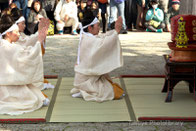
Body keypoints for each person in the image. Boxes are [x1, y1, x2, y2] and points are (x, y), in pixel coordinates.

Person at [0, 14, 50, 115]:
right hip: (10, 86)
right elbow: (29, 56)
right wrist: (39, 40)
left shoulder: (6, 45)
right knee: (34, 100)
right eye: (16, 32)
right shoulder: (11, 47)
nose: (18, 34)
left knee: (38, 96)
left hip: (6, 84)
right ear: (8, 34)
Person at [70, 10, 124, 102]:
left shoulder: (88, 37)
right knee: (115, 92)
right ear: (90, 28)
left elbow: (103, 38)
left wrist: (115, 32)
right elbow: (104, 44)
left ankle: (84, 90)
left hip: (89, 77)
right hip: (87, 79)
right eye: (97, 25)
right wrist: (116, 32)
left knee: (116, 89)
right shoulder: (89, 40)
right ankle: (85, 91)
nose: (99, 27)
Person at [11, 8, 55, 90]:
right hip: (15, 67)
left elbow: (27, 40)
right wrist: (40, 32)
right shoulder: (14, 36)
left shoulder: (20, 34)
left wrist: (41, 32)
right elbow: (27, 42)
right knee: (33, 56)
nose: (24, 26)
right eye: (22, 24)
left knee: (35, 52)